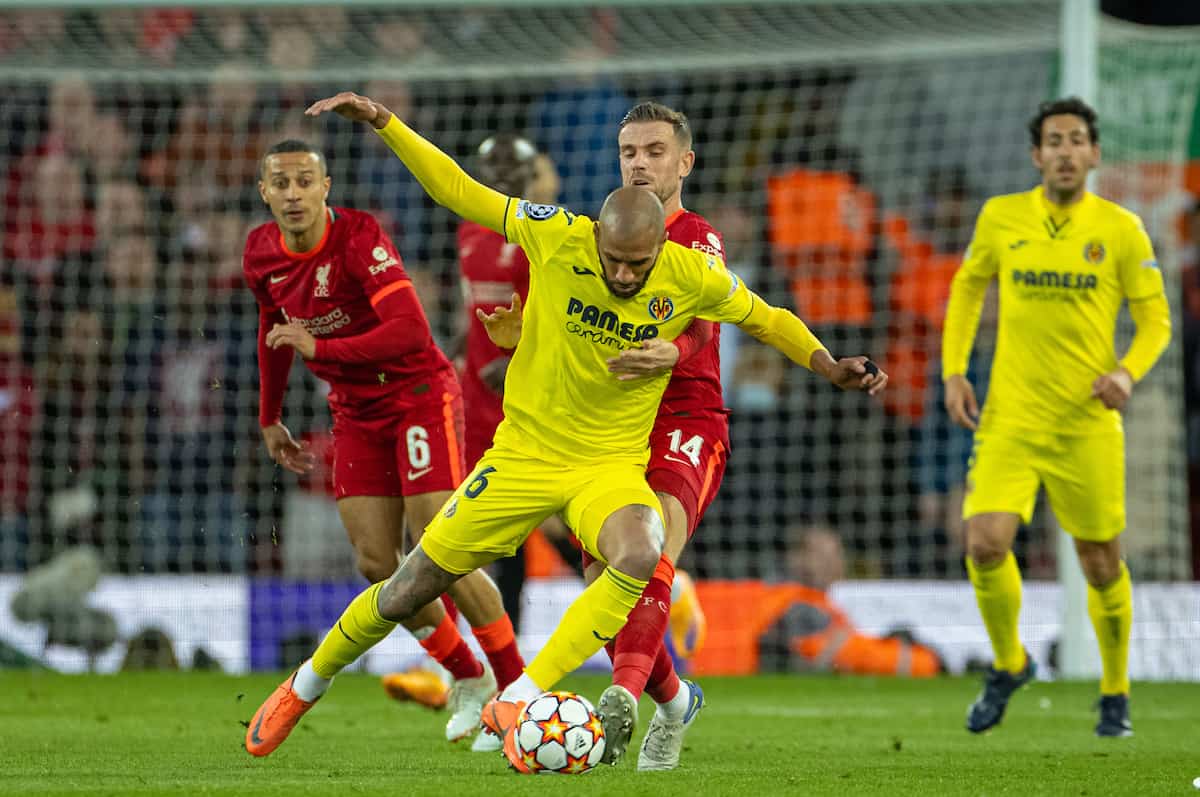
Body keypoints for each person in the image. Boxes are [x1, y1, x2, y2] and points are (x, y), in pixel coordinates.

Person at [242, 90, 887, 768]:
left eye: (639, 267)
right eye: (615, 260)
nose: (624, 275)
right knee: (409, 581)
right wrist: (385, 122)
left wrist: (828, 364)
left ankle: (522, 693)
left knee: (642, 552)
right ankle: (303, 683)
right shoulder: (557, 234)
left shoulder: (692, 269)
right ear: (598, 235)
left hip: (608, 464)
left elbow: (766, 317)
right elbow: (459, 190)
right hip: (523, 454)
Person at [241, 139, 523, 746]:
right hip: (356, 412)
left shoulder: (360, 237)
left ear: (326, 187)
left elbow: (409, 330)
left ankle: (518, 691)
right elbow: (274, 329)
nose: (293, 194)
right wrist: (269, 416)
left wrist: (323, 349)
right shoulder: (260, 254)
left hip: (417, 393)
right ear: (264, 192)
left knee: (437, 543)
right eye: (280, 183)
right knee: (375, 563)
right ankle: (470, 678)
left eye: (304, 181)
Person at [496, 101, 742, 769]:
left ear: (684, 162)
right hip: (605, 426)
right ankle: (673, 700)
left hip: (683, 417)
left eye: (656, 151)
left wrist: (676, 350)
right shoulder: (601, 236)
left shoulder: (698, 238)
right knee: (608, 580)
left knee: (652, 546)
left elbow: (705, 329)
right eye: (630, 151)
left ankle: (623, 699)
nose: (640, 162)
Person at [942, 98, 1171, 737]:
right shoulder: (1001, 216)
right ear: (1036, 155)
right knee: (983, 542)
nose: (1066, 151)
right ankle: (1010, 662)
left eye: (1077, 140)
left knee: (1100, 560)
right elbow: (968, 286)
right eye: (1054, 141)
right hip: (1010, 418)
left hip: (1086, 422)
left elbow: (1156, 319)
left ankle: (1115, 689)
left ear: (1094, 154)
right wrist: (954, 370)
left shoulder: (1121, 229)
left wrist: (1125, 371)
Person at [758, 525, 942, 677]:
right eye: (825, 557)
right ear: (798, 558)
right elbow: (833, 653)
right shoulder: (791, 601)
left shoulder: (815, 599)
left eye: (837, 555)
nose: (835, 564)